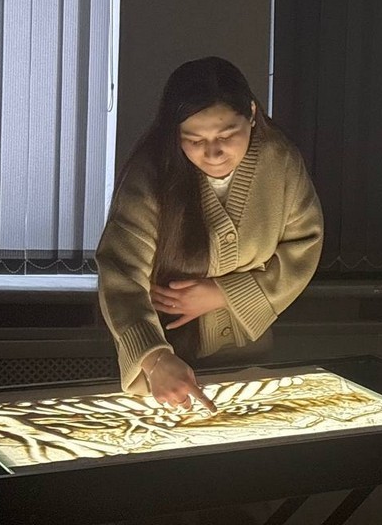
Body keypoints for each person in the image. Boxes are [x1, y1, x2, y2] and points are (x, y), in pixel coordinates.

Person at [97, 57, 323, 412]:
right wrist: (154, 358)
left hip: (250, 349)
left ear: (251, 113)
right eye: (194, 139)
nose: (213, 153)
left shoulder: (280, 162)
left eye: (227, 135)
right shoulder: (151, 173)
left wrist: (224, 294)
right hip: (169, 354)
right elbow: (121, 272)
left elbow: (304, 246)